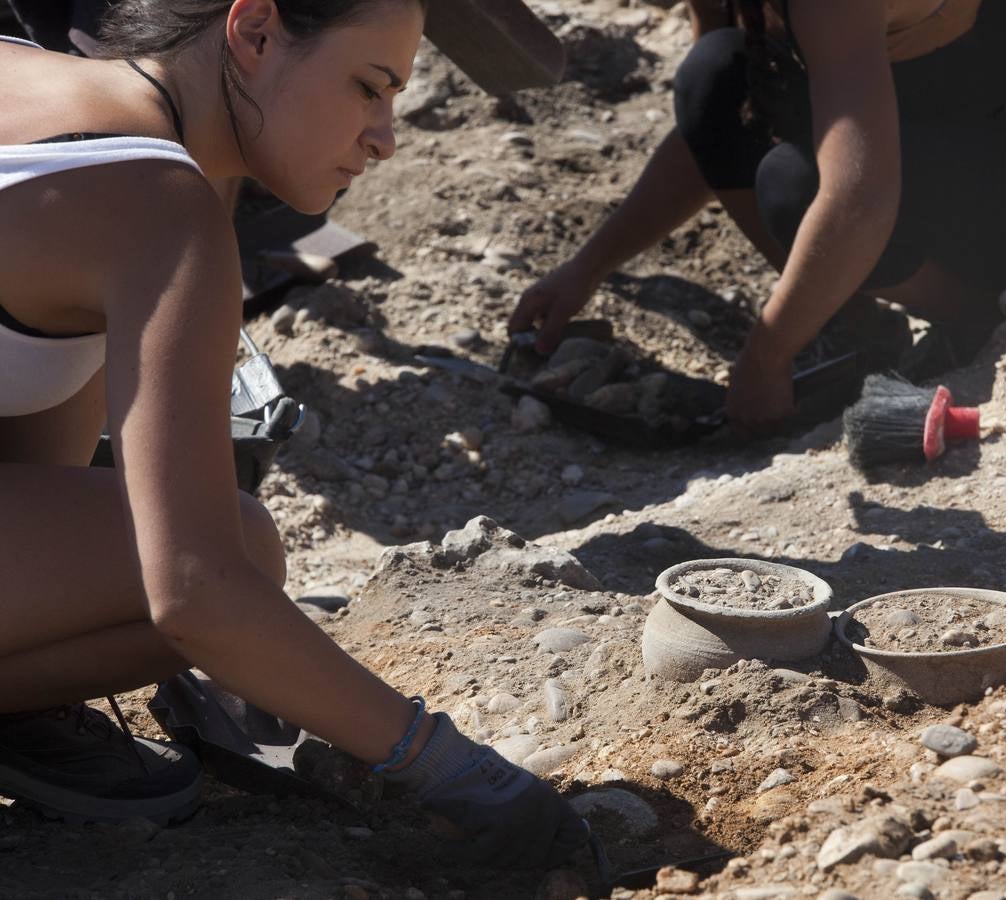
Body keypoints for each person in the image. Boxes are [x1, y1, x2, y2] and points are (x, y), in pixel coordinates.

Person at [0, 0, 588, 867]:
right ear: (257, 29)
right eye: (369, 87)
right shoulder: (157, 207)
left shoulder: (26, 71)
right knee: (235, 549)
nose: (386, 136)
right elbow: (195, 592)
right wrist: (451, 768)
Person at [510, 0, 1006, 429]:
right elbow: (721, 125)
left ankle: (977, 317)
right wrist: (586, 267)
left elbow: (857, 200)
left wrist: (766, 356)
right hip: (944, 152)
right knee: (713, 72)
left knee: (793, 185)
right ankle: (847, 326)